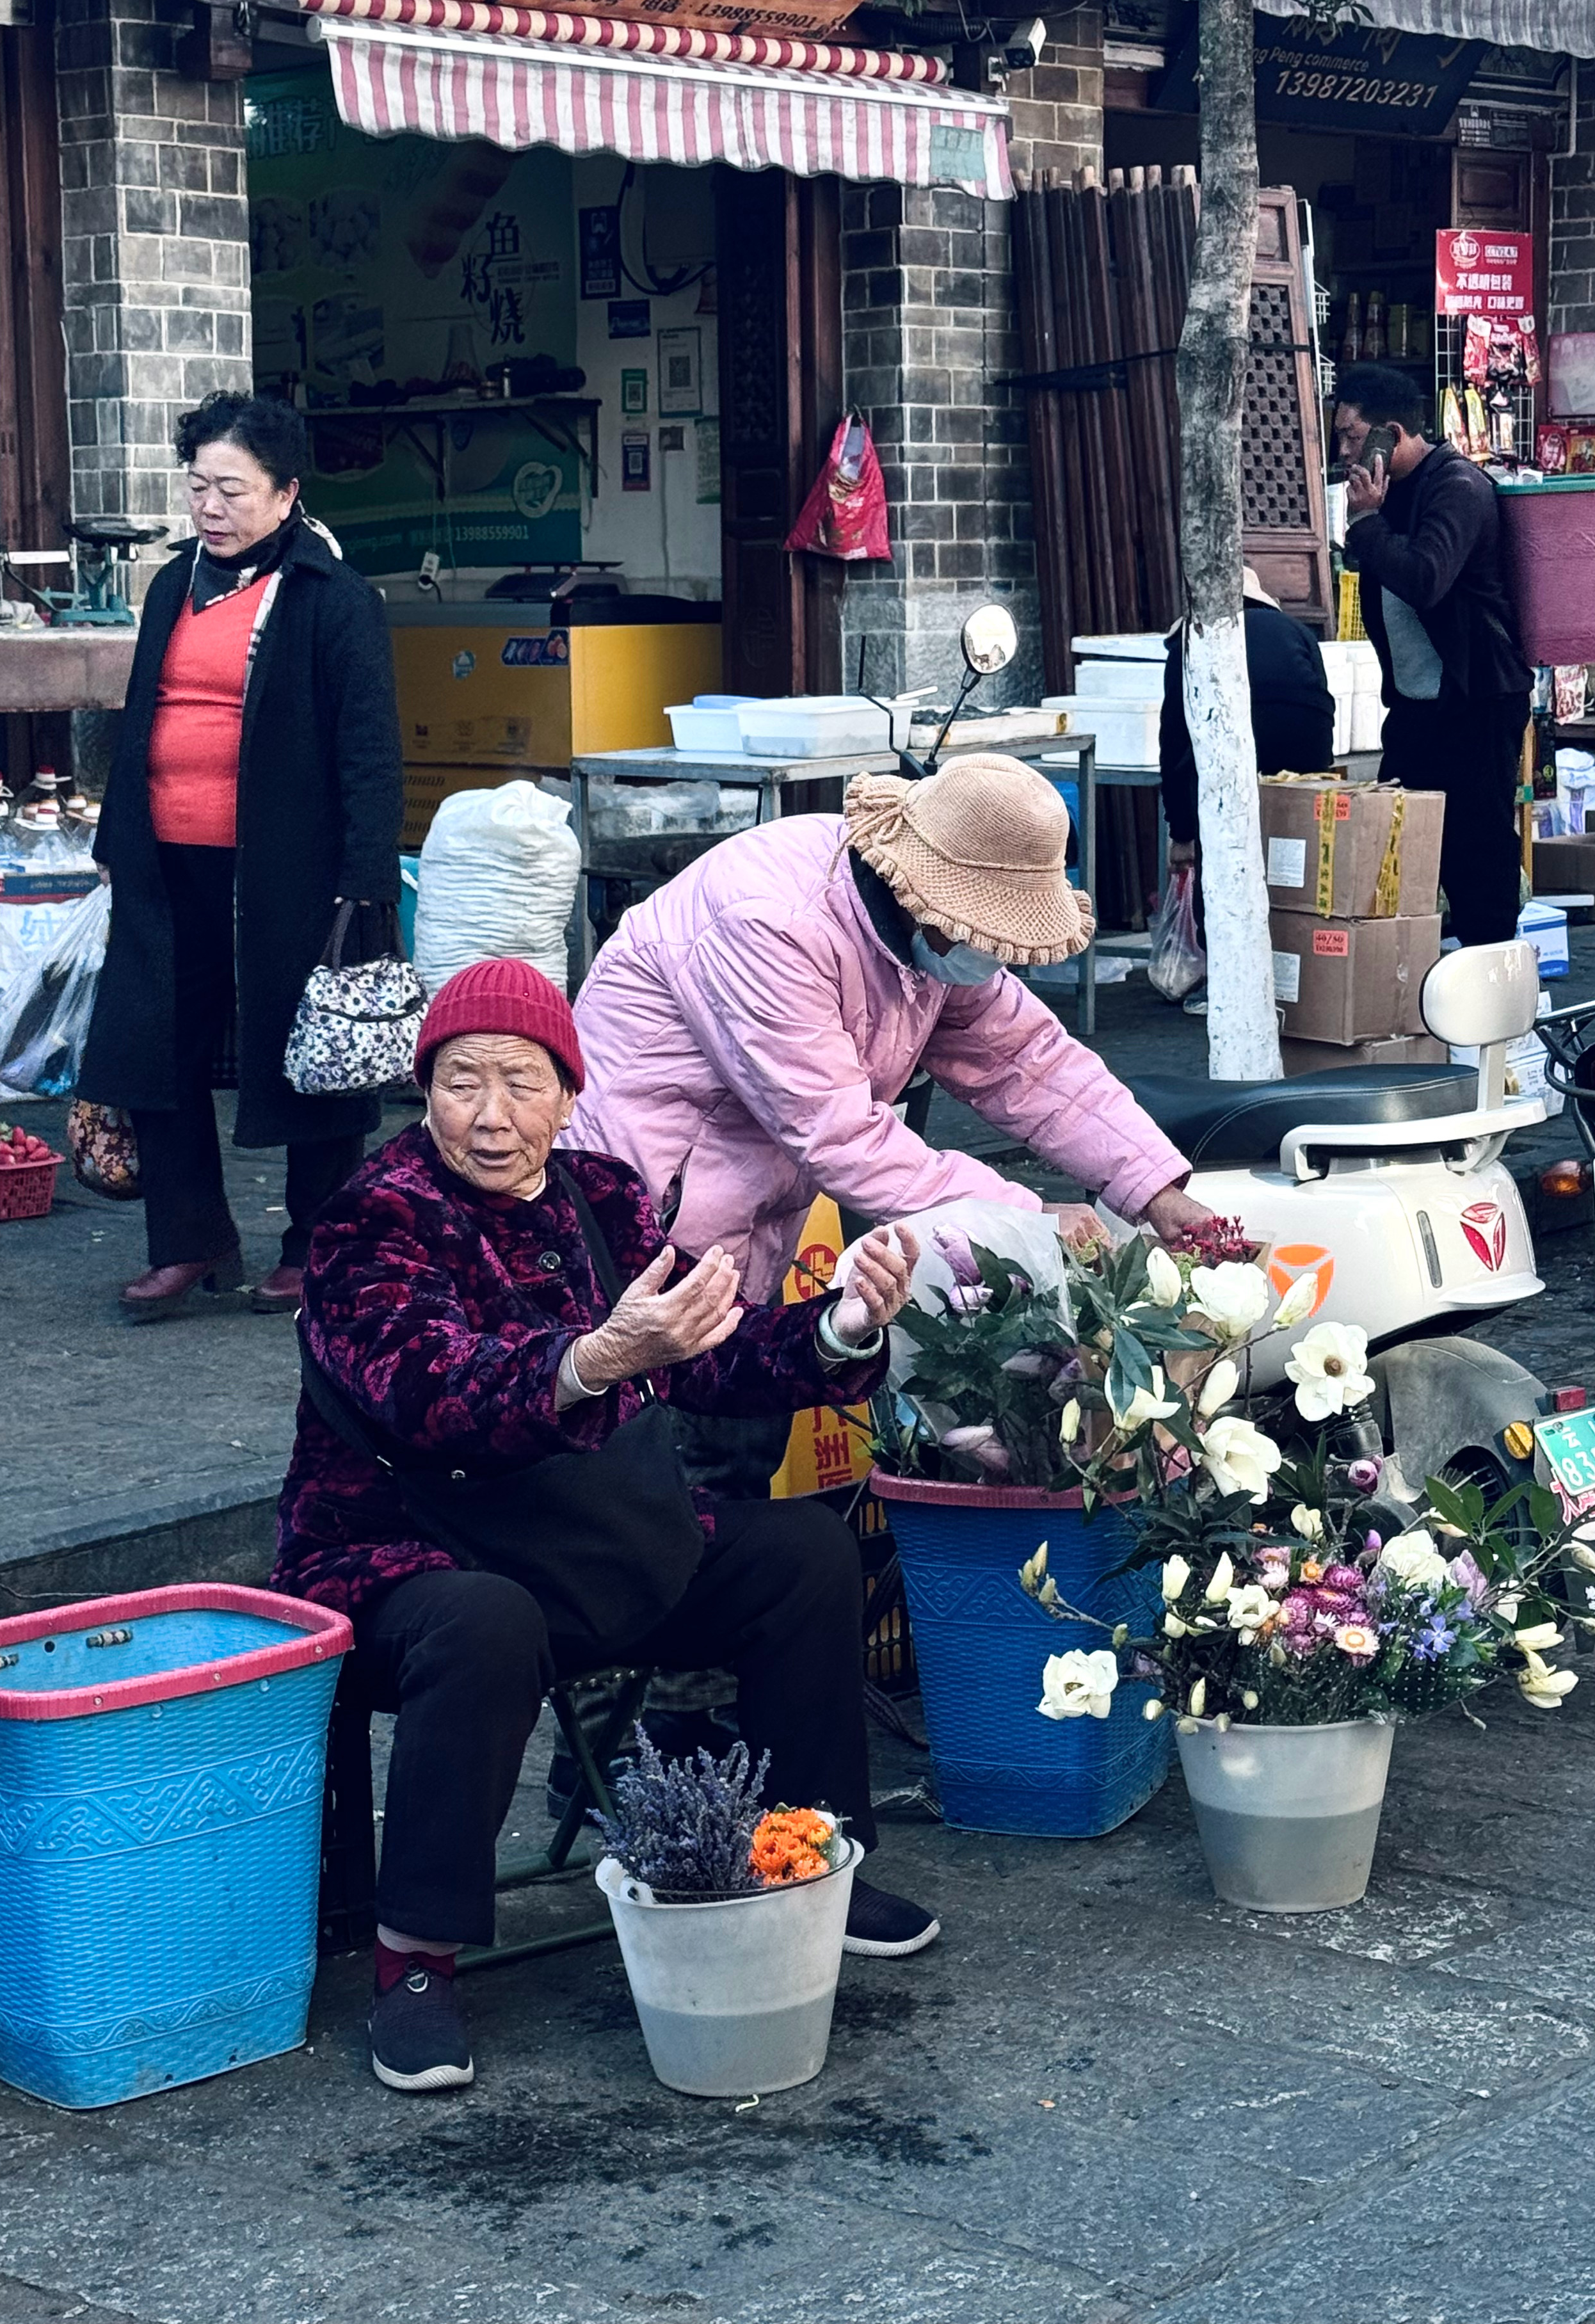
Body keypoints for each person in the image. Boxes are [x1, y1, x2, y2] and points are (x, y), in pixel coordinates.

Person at [270, 959, 929, 2094]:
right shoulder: (369, 1220)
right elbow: (427, 1394)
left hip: (586, 1538)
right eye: (460, 1081)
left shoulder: (604, 1198)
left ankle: (807, 1847)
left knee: (801, 1553)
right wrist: (590, 1360)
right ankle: (415, 1960)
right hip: (405, 1553)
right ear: (422, 1091)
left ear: (569, 1095)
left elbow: (706, 1351)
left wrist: (843, 1324)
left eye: (522, 1083)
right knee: (481, 1624)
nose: (490, 1113)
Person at [570, 751, 1212, 1304]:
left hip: (741, 1200)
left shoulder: (928, 933)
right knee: (657, 1426)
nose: (995, 956)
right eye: (986, 933)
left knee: (742, 1411)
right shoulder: (772, 924)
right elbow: (840, 1134)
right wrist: (1029, 1218)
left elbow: (1025, 1060)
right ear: (925, 895)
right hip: (644, 1204)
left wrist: (1154, 1187)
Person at [83, 391, 403, 1321]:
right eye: (198, 487)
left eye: (232, 488)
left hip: (288, 868)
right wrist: (117, 843)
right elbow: (139, 719)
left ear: (286, 494)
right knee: (157, 1047)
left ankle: (316, 1243)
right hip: (167, 860)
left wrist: (367, 877)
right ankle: (192, 1241)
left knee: (311, 1055)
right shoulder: (171, 583)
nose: (210, 507)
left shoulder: (330, 597)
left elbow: (370, 749)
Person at [1335, 362, 1533, 947]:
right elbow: (1366, 561)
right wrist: (1366, 523)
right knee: (1407, 842)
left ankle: (1495, 980)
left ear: (1391, 434)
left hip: (1477, 698)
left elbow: (1425, 576)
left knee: (1478, 847)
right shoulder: (1387, 489)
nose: (1343, 450)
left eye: (1351, 435)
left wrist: (1368, 522)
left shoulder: (1458, 486)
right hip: (1418, 705)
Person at [1159, 566, 1336, 878]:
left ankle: (1213, 919)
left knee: (1221, 872)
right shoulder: (1298, 631)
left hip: (1237, 749)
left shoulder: (1192, 639)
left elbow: (1175, 741)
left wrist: (1183, 834)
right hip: (1307, 754)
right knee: (1295, 863)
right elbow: (1320, 707)